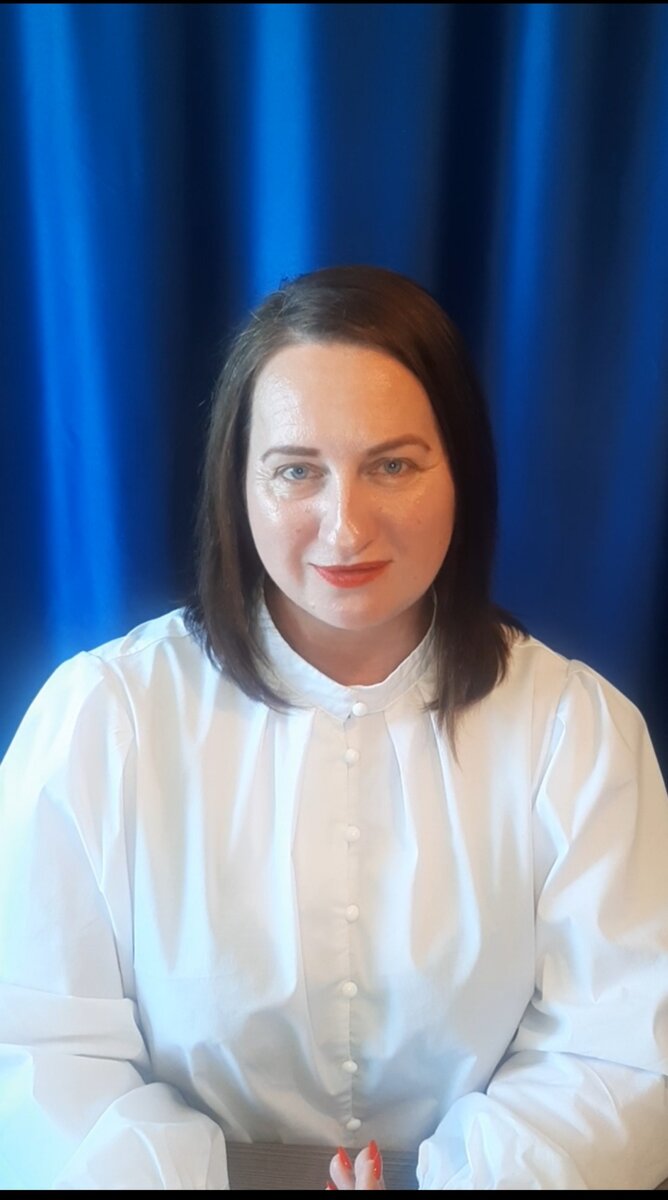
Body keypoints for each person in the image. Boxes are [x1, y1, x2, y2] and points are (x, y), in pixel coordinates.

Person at [0, 264, 667, 1192]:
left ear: (461, 473)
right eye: (296, 471)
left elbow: (621, 1054)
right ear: (238, 485)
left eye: (392, 465)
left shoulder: (577, 731)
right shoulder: (103, 717)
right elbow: (33, 1050)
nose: (345, 528)